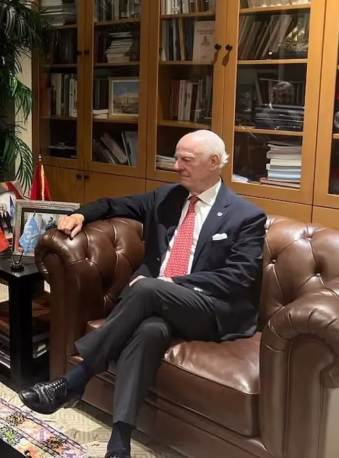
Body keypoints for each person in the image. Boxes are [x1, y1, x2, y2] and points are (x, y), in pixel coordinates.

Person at [18, 130, 266, 458]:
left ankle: (76, 379)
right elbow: (114, 204)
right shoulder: (167, 198)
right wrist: (81, 214)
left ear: (213, 163)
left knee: (149, 287)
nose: (176, 166)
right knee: (150, 330)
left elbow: (239, 278)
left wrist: (172, 283)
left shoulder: (245, 215)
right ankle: (119, 443)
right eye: (175, 158)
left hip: (211, 307)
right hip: (160, 305)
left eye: (185, 160)